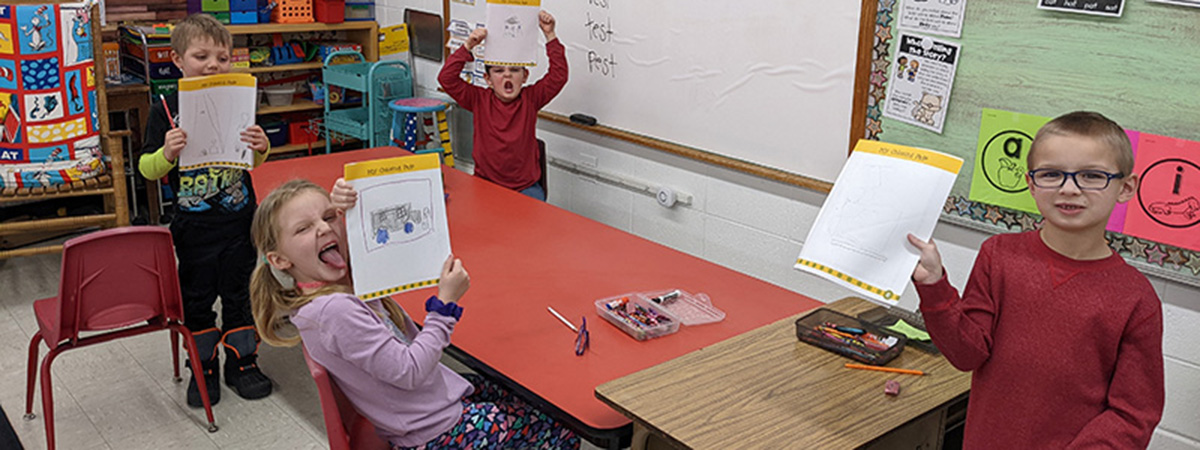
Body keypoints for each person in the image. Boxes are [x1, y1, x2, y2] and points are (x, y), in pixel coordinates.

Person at [249, 179, 581, 449]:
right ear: (279, 260)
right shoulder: (335, 310)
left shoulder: (336, 292)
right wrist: (444, 307)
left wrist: (353, 203)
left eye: (329, 217)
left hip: (421, 410)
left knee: (512, 393)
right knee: (561, 427)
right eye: (303, 229)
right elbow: (409, 371)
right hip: (434, 431)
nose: (323, 228)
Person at [907, 111, 1163, 448]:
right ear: (1030, 183)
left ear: (1126, 187)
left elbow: (1133, 415)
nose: (1069, 189)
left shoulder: (1136, 299)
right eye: (1051, 174)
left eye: (1091, 176)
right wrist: (934, 286)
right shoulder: (998, 255)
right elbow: (967, 354)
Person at [138, 13, 273, 407]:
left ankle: (243, 361)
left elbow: (254, 162)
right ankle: (204, 366)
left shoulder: (240, 99)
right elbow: (147, 168)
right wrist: (166, 153)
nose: (213, 64)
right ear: (178, 59)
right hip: (194, 228)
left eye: (223, 57)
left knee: (242, 294)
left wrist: (261, 145)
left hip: (240, 222)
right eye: (201, 56)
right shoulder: (164, 108)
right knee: (196, 299)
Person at [438, 11, 568, 201]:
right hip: (485, 184)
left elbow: (559, 75)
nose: (507, 76)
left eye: (514, 70)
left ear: (525, 76)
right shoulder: (478, 99)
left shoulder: (531, 98)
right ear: (488, 79)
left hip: (525, 188)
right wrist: (468, 45)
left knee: (533, 227)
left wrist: (550, 35)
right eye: (499, 71)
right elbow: (446, 79)